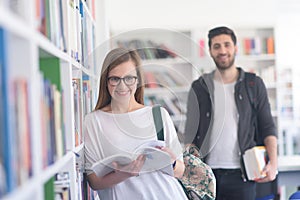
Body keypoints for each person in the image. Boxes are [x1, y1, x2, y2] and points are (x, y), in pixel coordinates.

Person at [184, 26, 278, 200]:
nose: (222, 51)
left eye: (227, 45)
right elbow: (190, 133)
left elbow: (268, 127)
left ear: (235, 48)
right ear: (210, 51)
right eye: (217, 46)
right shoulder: (199, 87)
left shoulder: (254, 84)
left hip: (243, 174)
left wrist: (273, 163)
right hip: (206, 175)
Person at [83, 47, 187, 200]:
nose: (122, 86)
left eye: (129, 78)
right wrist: (123, 174)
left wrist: (171, 163)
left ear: (138, 80)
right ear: (106, 81)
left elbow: (180, 171)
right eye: (115, 79)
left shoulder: (158, 115)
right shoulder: (94, 121)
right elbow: (94, 181)